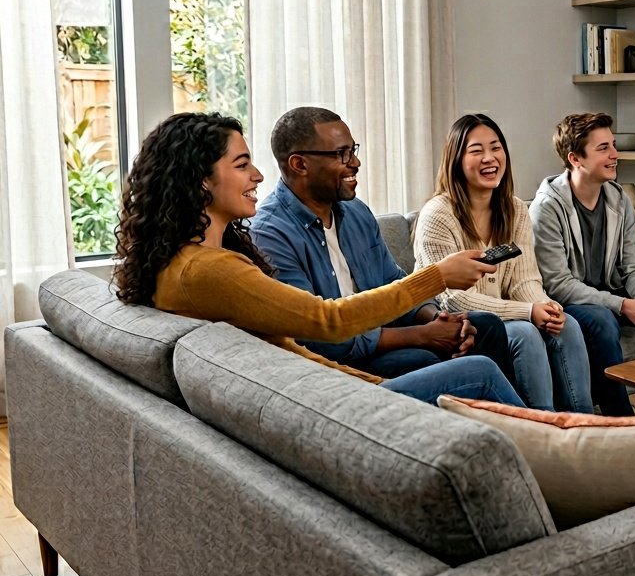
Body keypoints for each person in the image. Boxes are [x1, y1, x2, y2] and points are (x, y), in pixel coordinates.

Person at [113, 112, 523, 407]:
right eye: (242, 165)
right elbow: (328, 324)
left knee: (475, 346)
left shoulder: (198, 260)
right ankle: (551, 455)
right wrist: (436, 277)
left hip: (322, 392)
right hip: (324, 405)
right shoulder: (208, 269)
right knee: (478, 373)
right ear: (201, 181)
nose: (257, 175)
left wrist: (413, 336)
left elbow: (291, 348)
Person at [250, 106, 520, 390]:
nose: (356, 162)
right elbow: (316, 336)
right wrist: (422, 335)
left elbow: (394, 282)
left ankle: (502, 424)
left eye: (353, 150)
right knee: (418, 358)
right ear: (299, 165)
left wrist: (438, 320)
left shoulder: (355, 212)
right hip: (335, 361)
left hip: (379, 334)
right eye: (342, 154)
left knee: (483, 326)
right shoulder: (270, 233)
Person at [415, 114, 593, 413]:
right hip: (463, 324)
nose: (489, 157)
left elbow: (524, 280)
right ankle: (542, 431)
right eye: (476, 151)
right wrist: (527, 311)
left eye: (496, 147)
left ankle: (584, 426)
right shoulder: (438, 215)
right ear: (456, 159)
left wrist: (544, 307)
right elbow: (451, 298)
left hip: (507, 312)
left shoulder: (514, 209)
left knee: (567, 326)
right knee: (525, 335)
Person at [530, 113, 635, 416]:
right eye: (603, 148)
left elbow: (633, 264)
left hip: (610, 295)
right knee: (601, 320)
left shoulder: (618, 198)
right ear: (575, 158)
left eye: (613, 145)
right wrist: (624, 306)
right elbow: (558, 285)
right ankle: (620, 420)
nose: (615, 155)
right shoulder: (547, 208)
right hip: (570, 303)